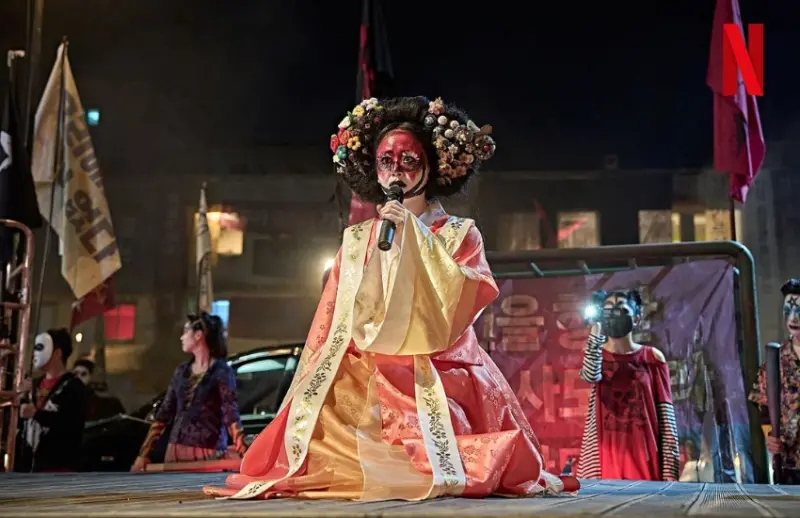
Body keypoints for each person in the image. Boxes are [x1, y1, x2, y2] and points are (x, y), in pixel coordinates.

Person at [204, 96, 578, 501]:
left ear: (431, 167)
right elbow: (332, 318)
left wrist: (414, 237)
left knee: (441, 422)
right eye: (386, 161)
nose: (396, 170)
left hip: (436, 358)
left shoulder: (459, 233)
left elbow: (465, 294)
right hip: (365, 358)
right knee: (326, 413)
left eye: (408, 159)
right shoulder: (358, 239)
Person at [577, 289, 679, 481]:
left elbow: (666, 417)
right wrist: (596, 327)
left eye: (621, 309)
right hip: (606, 453)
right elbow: (590, 374)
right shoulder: (597, 355)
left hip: (645, 453)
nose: (614, 314)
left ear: (637, 318)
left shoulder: (652, 357)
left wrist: (670, 473)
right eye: (607, 310)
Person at [130, 312, 247, 471]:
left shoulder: (221, 372)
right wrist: (144, 454)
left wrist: (243, 451)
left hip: (208, 453)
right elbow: (164, 413)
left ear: (198, 335)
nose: (182, 338)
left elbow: (230, 413)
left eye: (186, 332)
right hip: (176, 451)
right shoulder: (182, 372)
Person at [749, 278, 800, 484]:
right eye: (788, 310)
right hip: (790, 465)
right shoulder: (775, 360)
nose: (793, 318)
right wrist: (771, 436)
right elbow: (763, 405)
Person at [16, 328, 87, 472]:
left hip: (58, 469)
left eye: (41, 347)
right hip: (27, 468)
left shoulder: (73, 386)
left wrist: (36, 414)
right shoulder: (33, 385)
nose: (35, 353)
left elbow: (71, 425)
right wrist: (19, 399)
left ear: (57, 353)